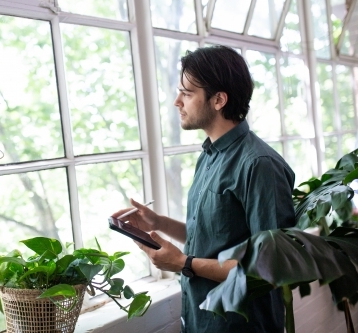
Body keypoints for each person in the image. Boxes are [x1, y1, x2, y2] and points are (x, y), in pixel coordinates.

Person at [112, 45, 295, 333]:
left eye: (187, 93)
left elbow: (269, 269)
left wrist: (184, 263)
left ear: (219, 100)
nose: (177, 101)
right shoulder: (209, 156)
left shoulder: (260, 166)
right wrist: (158, 223)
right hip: (199, 321)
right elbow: (217, 240)